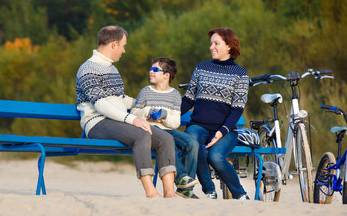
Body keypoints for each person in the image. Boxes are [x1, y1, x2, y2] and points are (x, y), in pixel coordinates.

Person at [75, 25, 176, 198]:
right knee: (141, 135)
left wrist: (145, 106)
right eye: (123, 45)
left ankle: (169, 194)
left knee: (166, 139)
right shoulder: (88, 69)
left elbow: (121, 98)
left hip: (118, 122)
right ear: (114, 45)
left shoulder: (112, 68)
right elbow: (101, 105)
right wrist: (133, 119)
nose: (124, 50)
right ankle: (151, 192)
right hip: (97, 123)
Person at [181, 27, 250, 200]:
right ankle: (210, 191)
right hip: (198, 126)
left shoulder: (240, 74)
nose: (211, 47)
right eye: (211, 43)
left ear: (229, 46)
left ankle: (240, 194)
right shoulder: (202, 68)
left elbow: (237, 109)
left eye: (216, 43)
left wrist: (221, 132)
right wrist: (170, 115)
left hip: (225, 131)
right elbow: (188, 99)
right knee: (194, 146)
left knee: (216, 157)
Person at [131, 57, 200, 199]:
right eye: (151, 68)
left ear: (166, 75)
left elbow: (175, 123)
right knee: (169, 142)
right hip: (151, 130)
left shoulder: (175, 95)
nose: (151, 71)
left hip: (168, 129)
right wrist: (148, 112)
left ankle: (186, 189)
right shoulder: (145, 92)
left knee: (192, 143)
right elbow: (134, 114)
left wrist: (164, 115)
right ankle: (182, 178)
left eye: (155, 69)